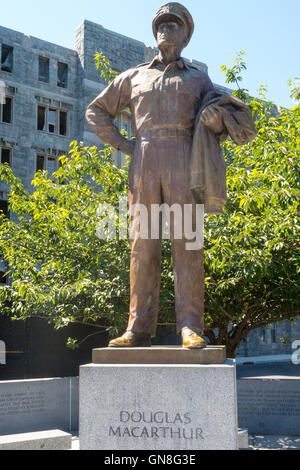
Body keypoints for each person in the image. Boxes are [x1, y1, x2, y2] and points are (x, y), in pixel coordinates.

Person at [86, 3, 256, 348]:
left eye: (174, 25)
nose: (166, 29)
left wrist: (215, 120)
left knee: (188, 244)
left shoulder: (197, 78)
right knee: (142, 244)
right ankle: (137, 327)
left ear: (185, 35)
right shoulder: (134, 76)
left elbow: (225, 116)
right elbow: (96, 110)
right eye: (161, 24)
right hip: (144, 159)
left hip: (185, 158)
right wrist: (124, 144)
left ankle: (190, 326)